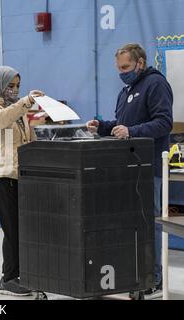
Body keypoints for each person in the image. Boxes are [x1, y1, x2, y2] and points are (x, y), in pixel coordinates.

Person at [86, 43, 173, 296]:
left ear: (140, 63)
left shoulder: (156, 85)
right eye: (118, 68)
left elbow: (163, 123)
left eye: (125, 67)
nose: (122, 72)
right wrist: (102, 127)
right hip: (127, 168)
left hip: (149, 167)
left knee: (149, 224)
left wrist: (132, 132)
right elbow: (123, 125)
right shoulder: (127, 90)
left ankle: (155, 278)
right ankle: (135, 274)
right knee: (131, 224)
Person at [0, 66, 45, 296]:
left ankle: (21, 273)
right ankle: (9, 278)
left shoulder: (18, 111)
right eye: (10, 86)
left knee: (21, 228)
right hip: (2, 176)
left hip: (20, 175)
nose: (14, 90)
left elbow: (26, 139)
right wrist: (25, 102)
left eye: (17, 86)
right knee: (12, 229)